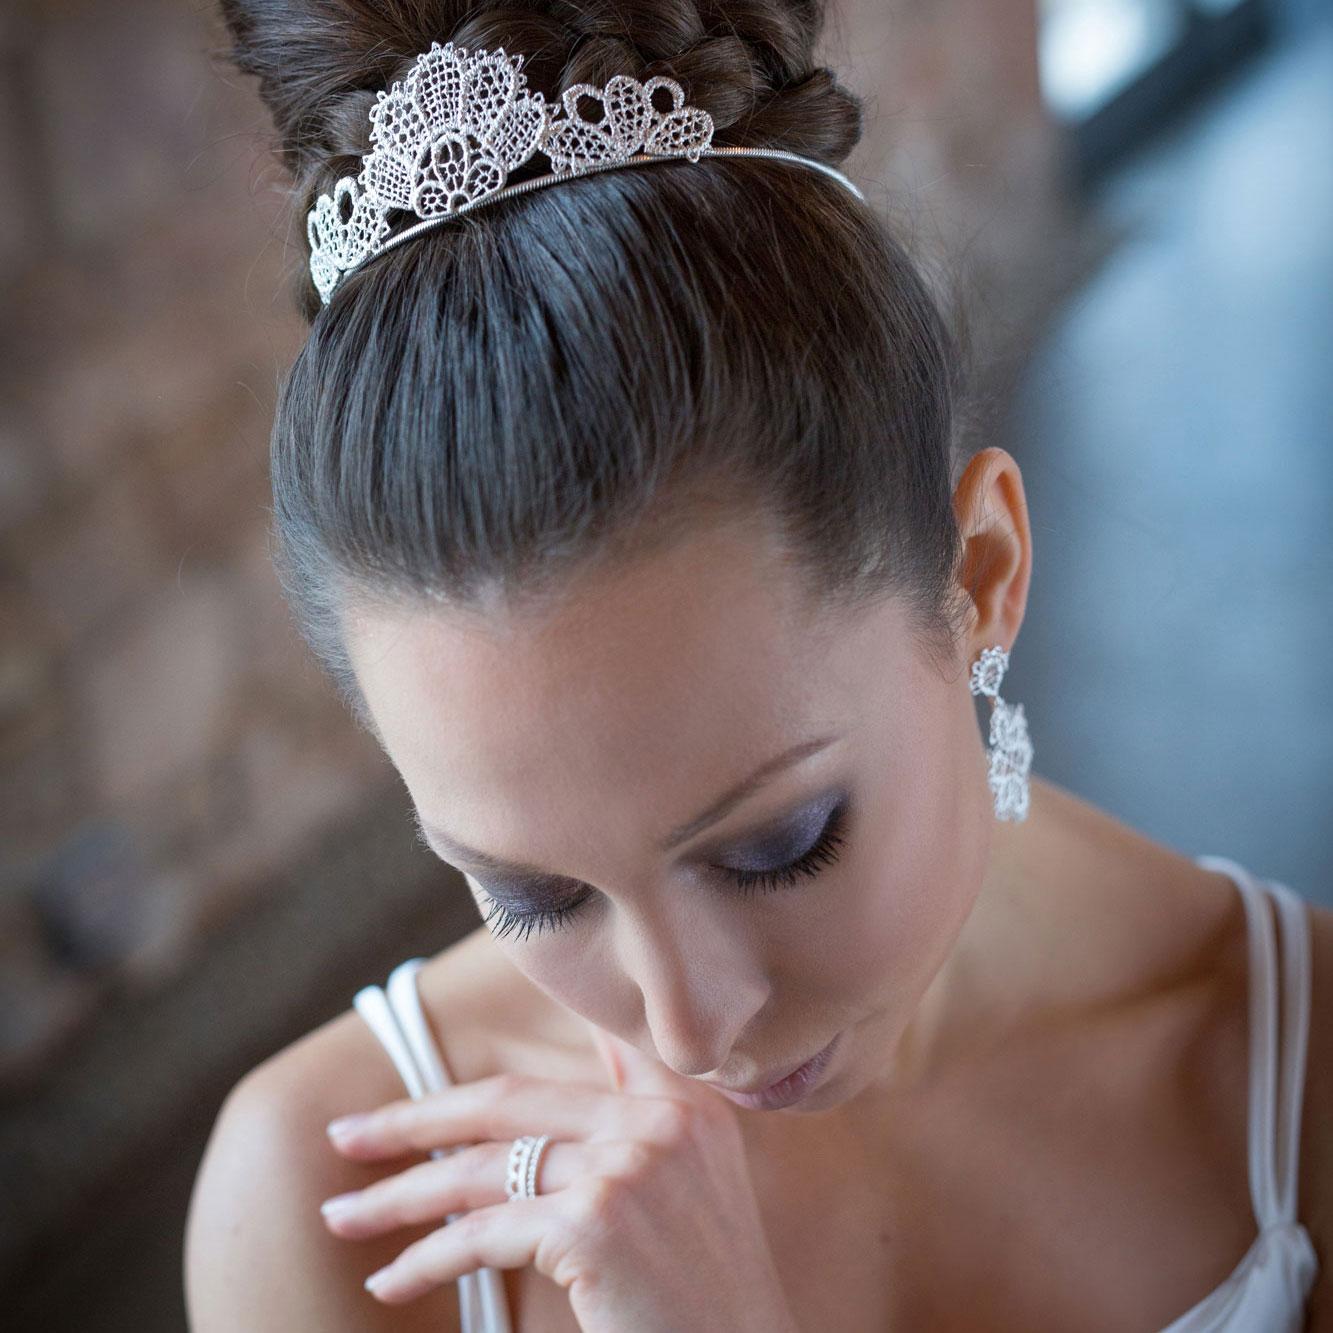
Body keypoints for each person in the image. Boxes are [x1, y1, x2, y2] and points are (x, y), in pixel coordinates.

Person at [184, 1, 1331, 1329]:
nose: (685, 1030)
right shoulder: (322, 1206)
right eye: (534, 892)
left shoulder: (1296, 1081)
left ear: (978, 577)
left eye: (778, 841)